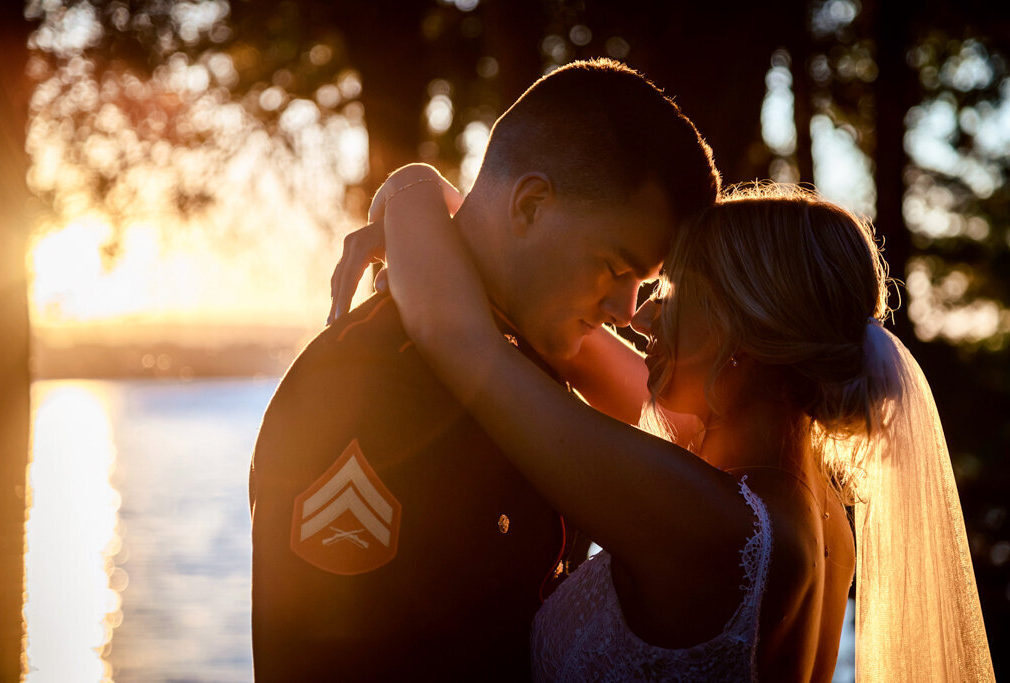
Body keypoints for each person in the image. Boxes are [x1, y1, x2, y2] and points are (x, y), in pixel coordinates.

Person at [331, 168, 995, 680]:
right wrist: (459, 215)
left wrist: (410, 192)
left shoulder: (716, 527)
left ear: (743, 333)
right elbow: (572, 338)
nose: (641, 317)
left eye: (675, 292)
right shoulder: (797, 499)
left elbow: (459, 340)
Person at [248, 59, 720, 680]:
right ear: (529, 205)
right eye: (615, 267)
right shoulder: (369, 386)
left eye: (644, 283)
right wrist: (417, 195)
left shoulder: (527, 356)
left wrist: (418, 191)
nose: (625, 312)